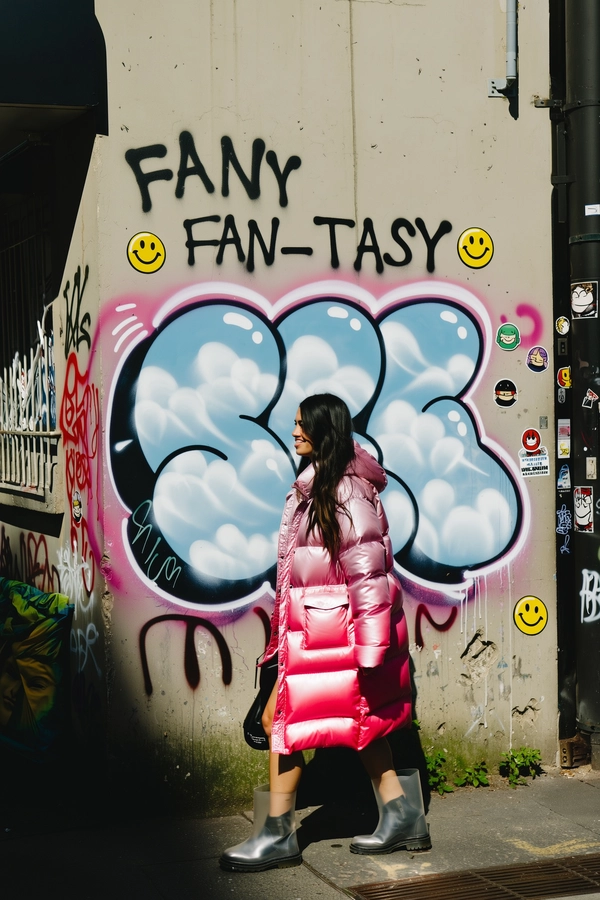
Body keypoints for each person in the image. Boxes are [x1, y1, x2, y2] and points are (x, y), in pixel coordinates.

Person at [220, 393, 430, 872]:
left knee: (285, 724)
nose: (294, 432)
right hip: (315, 634)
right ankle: (402, 815)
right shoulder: (318, 485)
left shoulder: (346, 491)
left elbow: (369, 573)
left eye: (301, 425)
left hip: (335, 636)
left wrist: (372, 649)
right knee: (360, 723)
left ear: (324, 431)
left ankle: (276, 834)